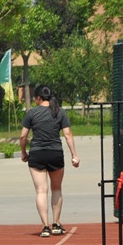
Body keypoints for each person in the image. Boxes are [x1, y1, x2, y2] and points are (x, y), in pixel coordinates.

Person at [20, 85, 80, 237]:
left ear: (38, 98)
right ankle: (56, 224)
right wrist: (74, 155)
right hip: (55, 153)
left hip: (37, 154)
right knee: (57, 189)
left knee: (41, 191)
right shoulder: (59, 112)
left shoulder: (31, 113)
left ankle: (45, 226)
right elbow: (68, 134)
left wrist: (24, 153)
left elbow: (23, 136)